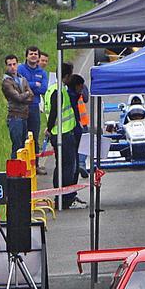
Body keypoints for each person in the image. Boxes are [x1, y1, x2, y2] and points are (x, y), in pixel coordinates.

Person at [45, 65, 86, 209]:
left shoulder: (52, 88)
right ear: (67, 76)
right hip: (63, 134)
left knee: (62, 166)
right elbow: (54, 113)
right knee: (68, 168)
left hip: (61, 133)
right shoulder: (59, 91)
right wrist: (49, 129)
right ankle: (66, 199)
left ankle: (63, 197)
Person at [16, 47, 49, 155]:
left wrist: (27, 85)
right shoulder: (20, 69)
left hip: (34, 106)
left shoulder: (42, 72)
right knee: (22, 135)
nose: (33, 55)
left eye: (36, 54)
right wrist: (35, 84)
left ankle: (35, 164)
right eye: (31, 54)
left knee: (34, 135)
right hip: (21, 106)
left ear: (39, 57)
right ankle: (22, 164)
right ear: (26, 56)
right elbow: (19, 85)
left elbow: (43, 89)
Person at [2, 54, 35, 158]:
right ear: (6, 66)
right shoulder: (6, 82)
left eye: (14, 64)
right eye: (9, 65)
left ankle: (23, 170)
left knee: (24, 145)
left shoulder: (22, 79)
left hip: (24, 115)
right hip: (15, 116)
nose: (12, 67)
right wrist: (26, 94)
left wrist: (25, 96)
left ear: (18, 64)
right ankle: (14, 172)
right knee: (17, 147)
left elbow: (32, 96)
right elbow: (18, 98)